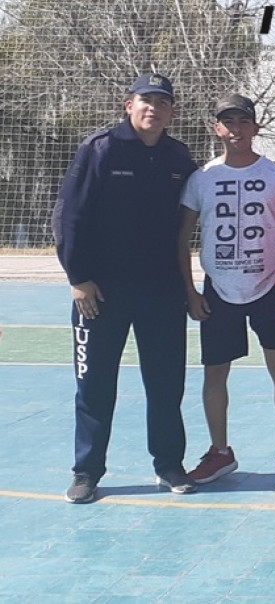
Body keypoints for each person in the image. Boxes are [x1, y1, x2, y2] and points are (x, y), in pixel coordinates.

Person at [53, 73, 198, 503]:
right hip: (100, 293)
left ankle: (169, 465)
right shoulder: (100, 149)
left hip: (161, 292)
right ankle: (87, 472)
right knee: (95, 384)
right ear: (128, 105)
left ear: (172, 112)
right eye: (146, 100)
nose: (154, 108)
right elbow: (68, 216)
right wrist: (78, 278)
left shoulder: (178, 156)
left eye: (163, 102)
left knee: (167, 383)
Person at [178, 95, 275, 484]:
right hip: (219, 291)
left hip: (271, 288)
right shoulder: (201, 178)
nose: (235, 128)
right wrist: (190, 292)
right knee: (214, 374)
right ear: (217, 128)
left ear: (255, 127)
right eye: (227, 121)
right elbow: (182, 237)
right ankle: (221, 452)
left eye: (242, 121)